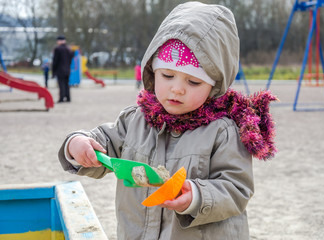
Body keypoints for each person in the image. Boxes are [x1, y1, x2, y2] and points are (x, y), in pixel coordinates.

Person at [58, 2, 277, 239]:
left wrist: (196, 196)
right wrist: (78, 144)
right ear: (153, 71)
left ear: (215, 85)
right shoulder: (136, 119)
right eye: (168, 75)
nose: (177, 89)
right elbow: (103, 144)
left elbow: (236, 188)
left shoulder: (223, 130)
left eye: (193, 82)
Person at [52, 35, 73, 103]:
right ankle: (68, 97)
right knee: (67, 84)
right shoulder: (69, 49)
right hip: (67, 69)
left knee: (61, 84)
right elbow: (70, 59)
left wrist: (53, 71)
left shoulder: (57, 49)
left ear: (59, 41)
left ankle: (61, 98)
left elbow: (55, 61)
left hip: (60, 69)